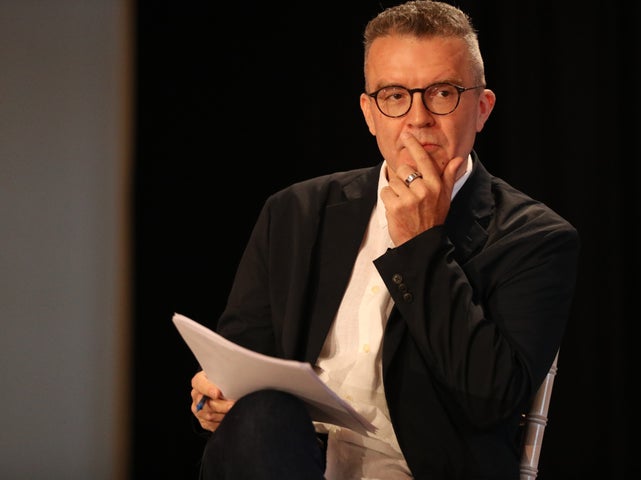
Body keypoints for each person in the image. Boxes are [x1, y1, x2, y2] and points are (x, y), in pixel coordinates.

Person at [189, 1, 579, 478]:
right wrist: (218, 394)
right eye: (394, 95)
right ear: (369, 113)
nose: (417, 118)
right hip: (285, 458)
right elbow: (241, 358)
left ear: (482, 109)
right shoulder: (294, 211)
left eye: (442, 93)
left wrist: (421, 244)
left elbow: (489, 401)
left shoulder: (534, 238)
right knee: (261, 417)